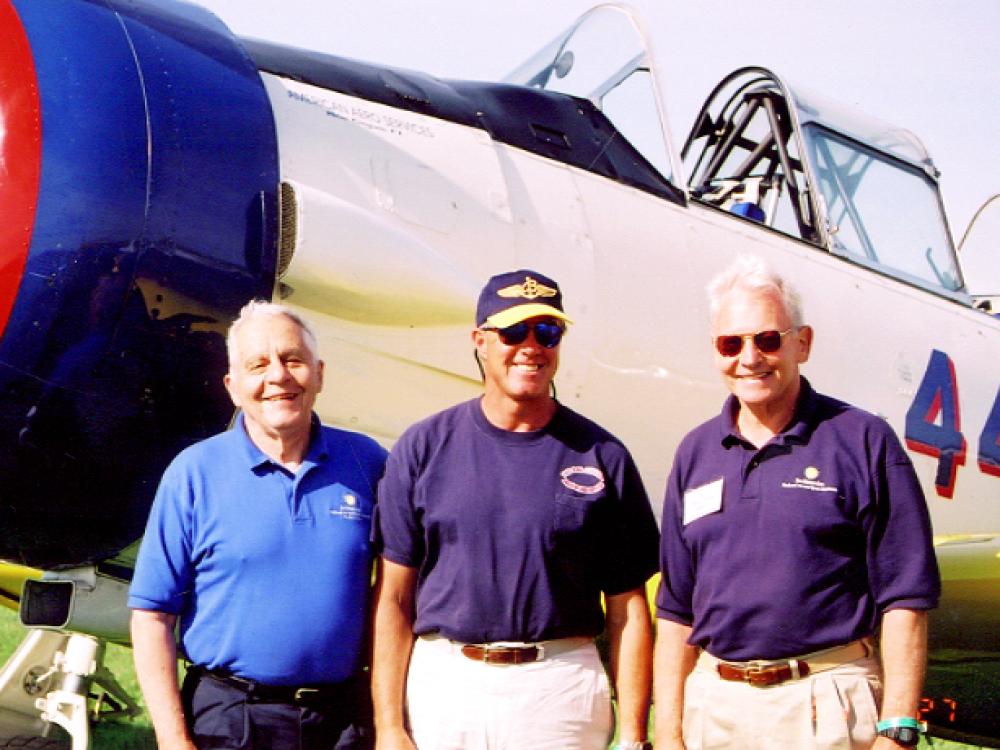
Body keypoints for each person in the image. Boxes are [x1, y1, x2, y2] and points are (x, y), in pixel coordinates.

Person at [654, 255, 940, 750]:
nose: (750, 358)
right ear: (715, 352)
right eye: (731, 343)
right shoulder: (695, 452)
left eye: (767, 339)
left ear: (801, 344)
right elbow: (677, 609)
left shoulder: (863, 440)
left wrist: (898, 726)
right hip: (713, 708)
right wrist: (669, 731)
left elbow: (906, 597)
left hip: (826, 702)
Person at [371, 269, 659, 750]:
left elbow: (628, 608)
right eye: (513, 332)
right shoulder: (422, 447)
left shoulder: (602, 455)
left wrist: (632, 733)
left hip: (560, 684)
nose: (531, 346)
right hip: (447, 683)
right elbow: (394, 600)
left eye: (547, 332)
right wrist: (389, 727)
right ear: (480, 341)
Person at [129, 301, 387, 750]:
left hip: (345, 720)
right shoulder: (194, 473)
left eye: (292, 359)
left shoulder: (368, 464)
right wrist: (173, 739)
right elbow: (152, 615)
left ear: (319, 373)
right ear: (233, 386)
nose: (278, 377)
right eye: (258, 365)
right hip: (231, 718)